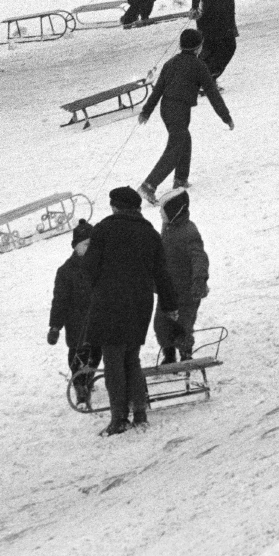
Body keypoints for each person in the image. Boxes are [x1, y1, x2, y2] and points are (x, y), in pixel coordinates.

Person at [82, 186, 178, 434]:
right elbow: (162, 274)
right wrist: (170, 305)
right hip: (140, 304)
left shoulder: (104, 229)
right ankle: (140, 414)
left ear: (115, 206)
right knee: (131, 359)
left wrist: (96, 291)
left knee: (114, 362)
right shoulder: (150, 234)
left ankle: (119, 418)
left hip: (110, 304)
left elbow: (88, 270)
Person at [136, 28, 233, 200]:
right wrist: (226, 117)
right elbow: (212, 93)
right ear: (198, 48)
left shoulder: (170, 63)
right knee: (175, 148)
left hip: (166, 109)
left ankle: (181, 179)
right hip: (179, 110)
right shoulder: (199, 66)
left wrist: (146, 112)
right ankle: (148, 186)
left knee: (184, 140)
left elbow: (157, 90)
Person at [49, 220, 100, 410]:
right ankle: (80, 386)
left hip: (97, 319)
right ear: (76, 246)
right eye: (86, 244)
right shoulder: (66, 272)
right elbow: (60, 301)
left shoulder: (99, 266)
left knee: (96, 353)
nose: (91, 249)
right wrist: (55, 327)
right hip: (76, 322)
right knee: (78, 355)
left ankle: (90, 379)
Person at [154, 188, 209, 363]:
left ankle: (185, 353)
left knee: (184, 324)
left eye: (164, 211)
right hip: (167, 289)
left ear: (174, 211)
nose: (161, 214)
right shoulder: (168, 227)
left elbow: (199, 257)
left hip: (187, 291)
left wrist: (199, 280)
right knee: (161, 324)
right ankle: (169, 354)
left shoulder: (189, 231)